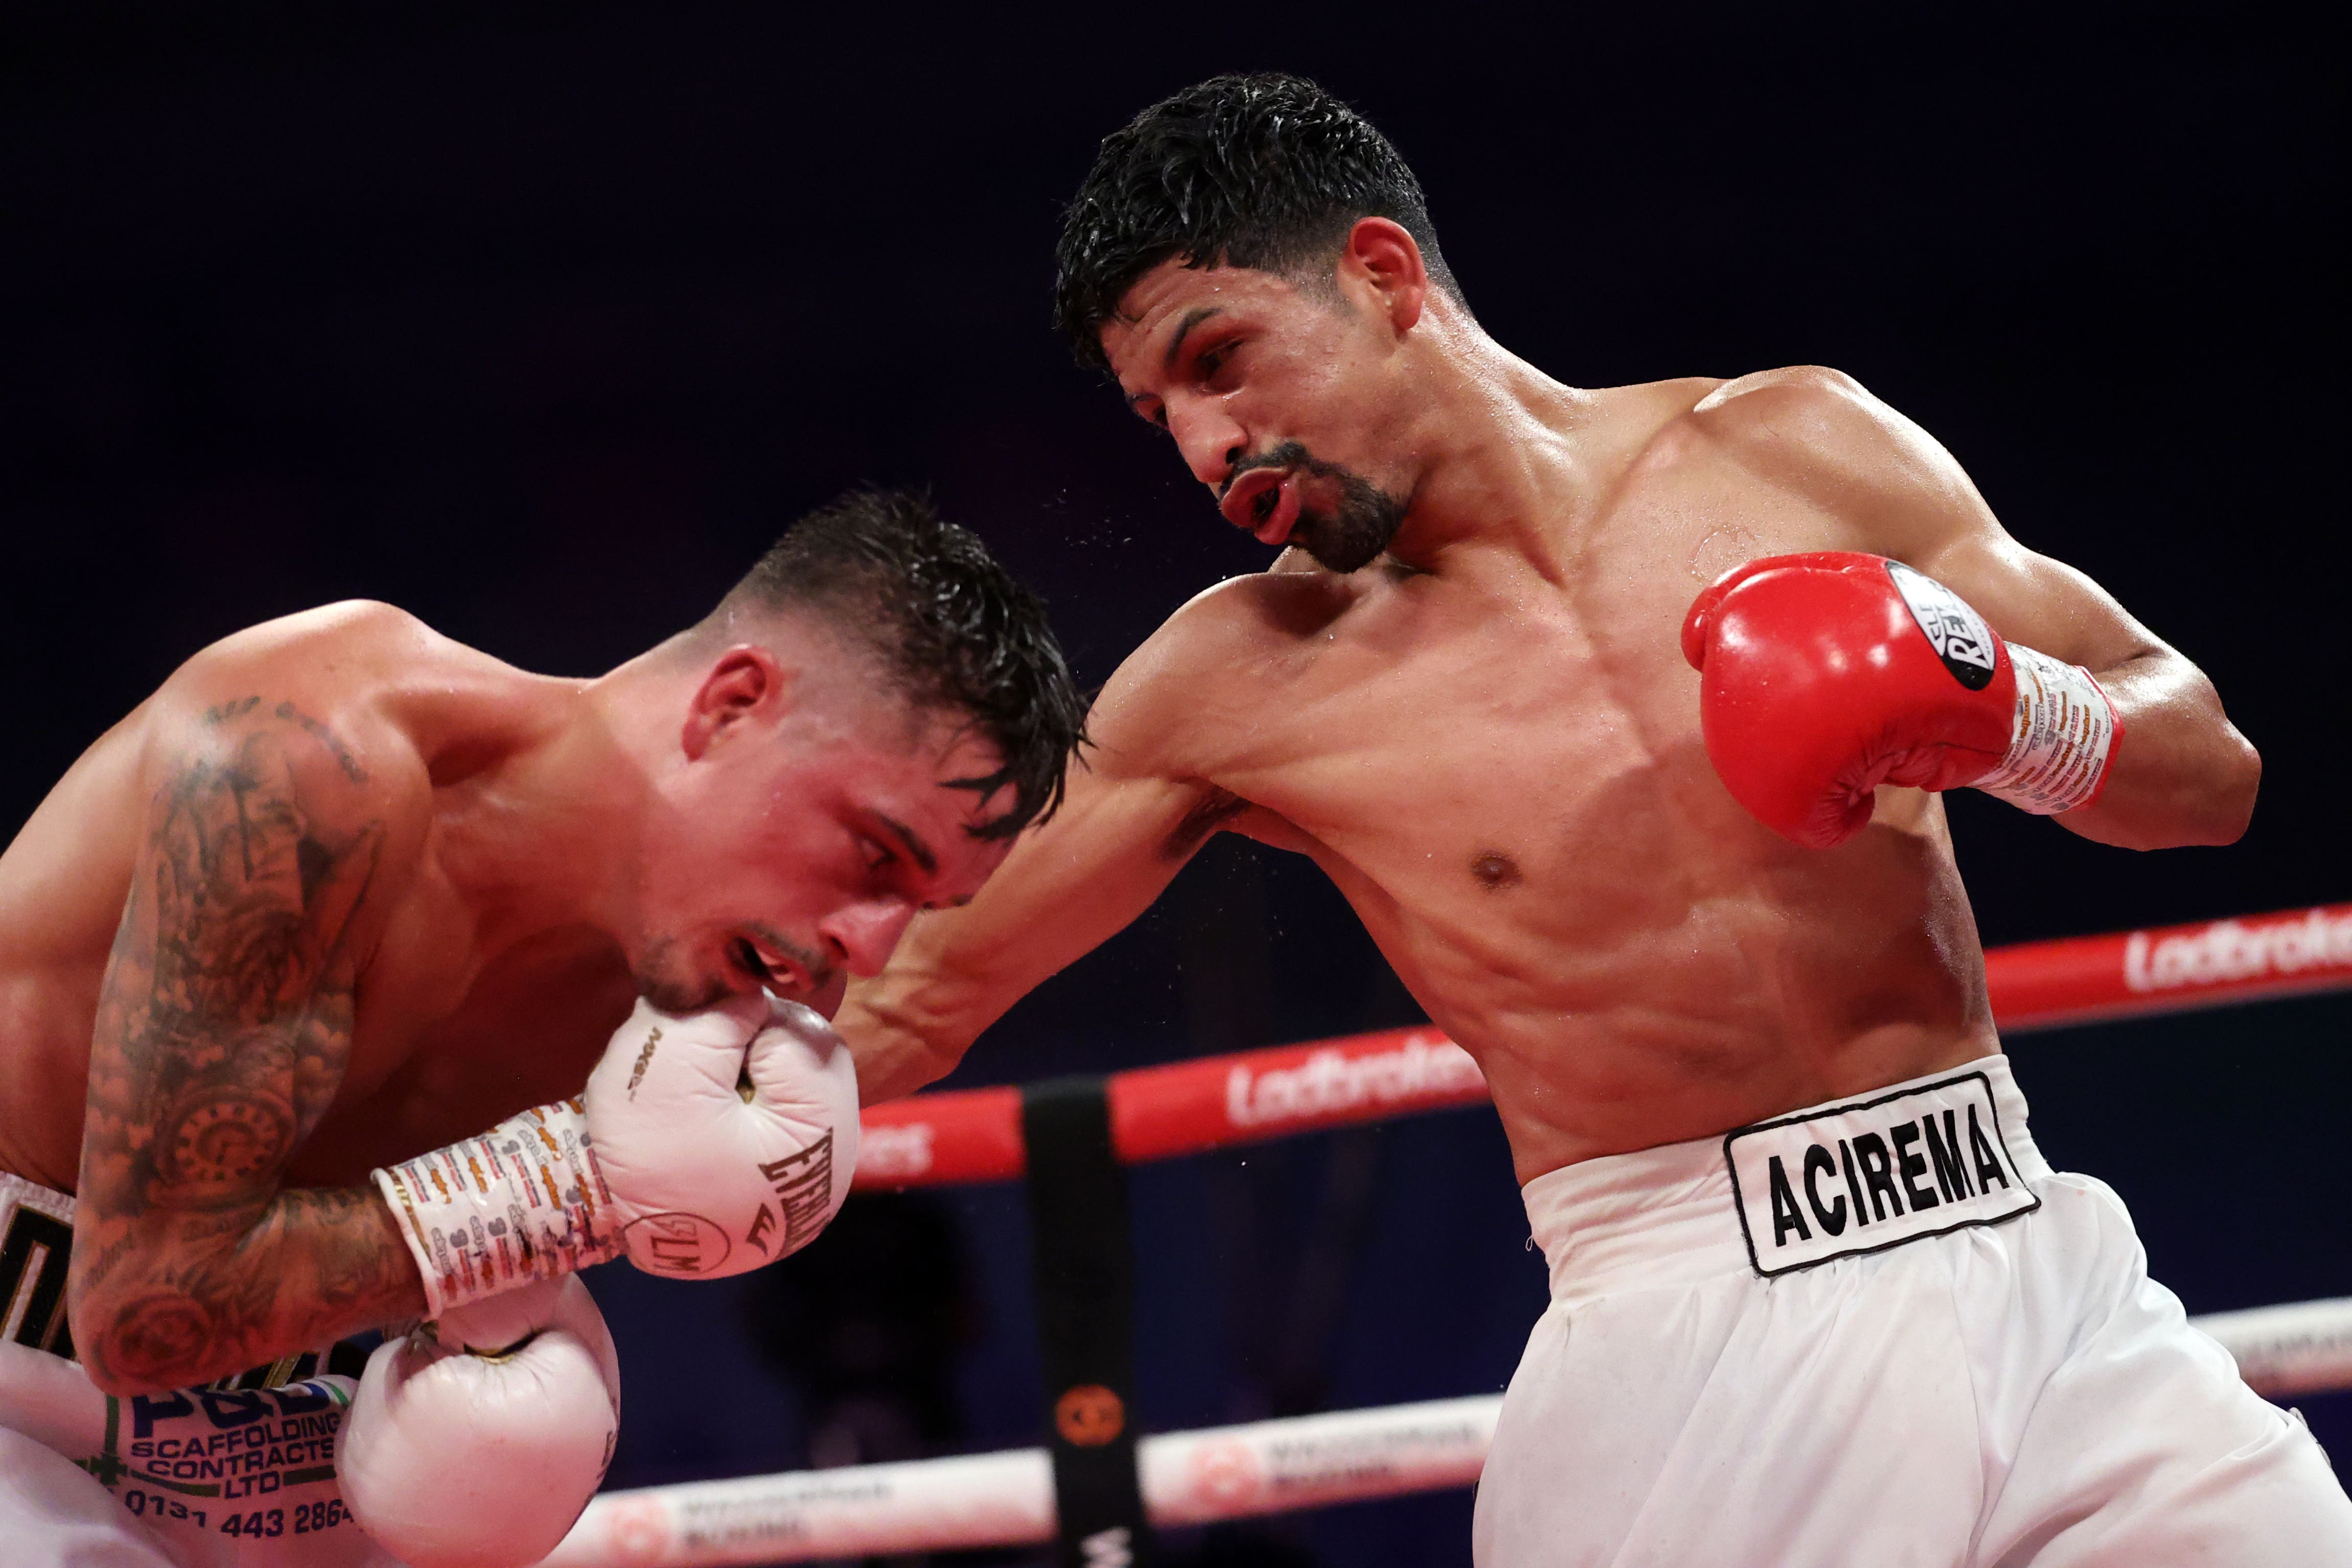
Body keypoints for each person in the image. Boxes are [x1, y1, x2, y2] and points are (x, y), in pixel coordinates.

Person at [838, 76, 2352, 1564]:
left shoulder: (1798, 449)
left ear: (1381, 275)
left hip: (2030, 1250)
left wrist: (2003, 705)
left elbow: (2207, 773)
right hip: (1691, 1339)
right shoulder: (1235, 681)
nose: (1205, 446)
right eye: (1158, 413)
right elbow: (914, 992)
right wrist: (598, 1165)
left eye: (1220, 359)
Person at [0, 487, 1088, 1566]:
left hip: (258, 1431)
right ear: (733, 703)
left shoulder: (707, 986)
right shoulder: (314, 761)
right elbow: (147, 1306)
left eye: (921, 905)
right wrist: (572, 1188)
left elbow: (941, 1002)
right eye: (873, 855)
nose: (873, 944)